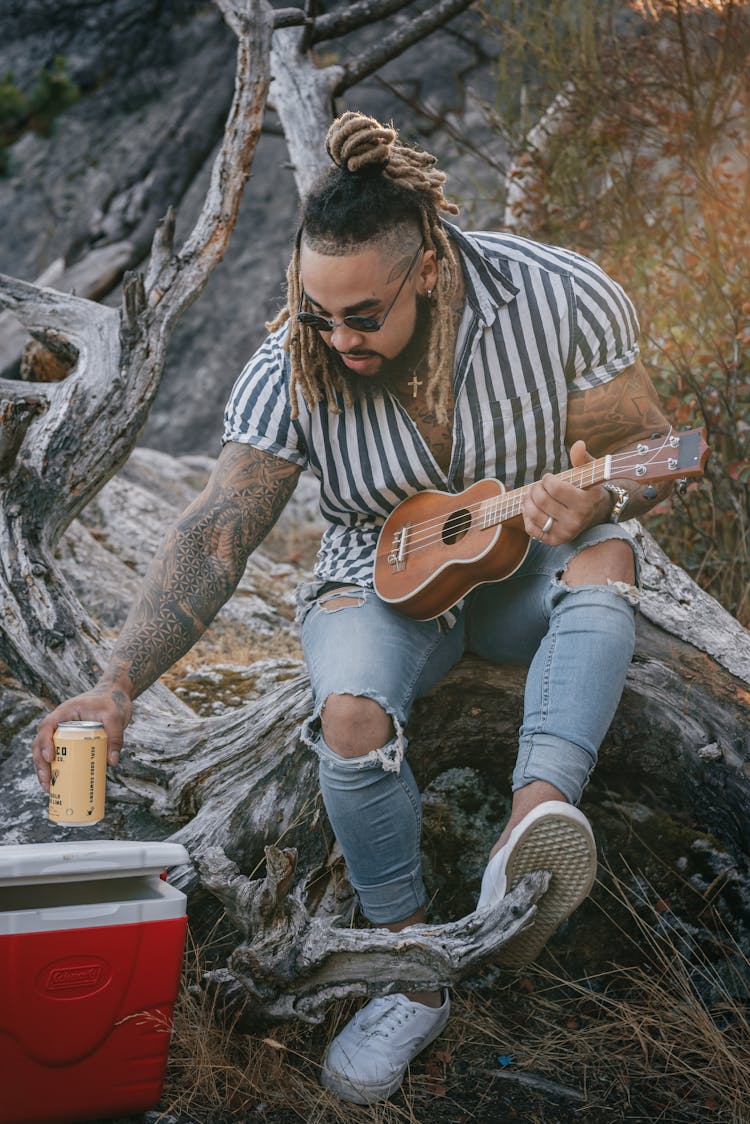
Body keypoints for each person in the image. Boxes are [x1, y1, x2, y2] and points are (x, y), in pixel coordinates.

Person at [33, 111, 672, 1106]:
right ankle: (408, 967)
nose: (337, 339)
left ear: (426, 268)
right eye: (316, 311)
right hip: (375, 576)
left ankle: (535, 819)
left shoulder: (559, 295)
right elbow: (213, 531)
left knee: (607, 551)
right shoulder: (298, 355)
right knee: (350, 716)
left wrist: (596, 495)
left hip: (530, 566)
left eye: (361, 315)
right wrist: (116, 682)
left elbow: (655, 451)